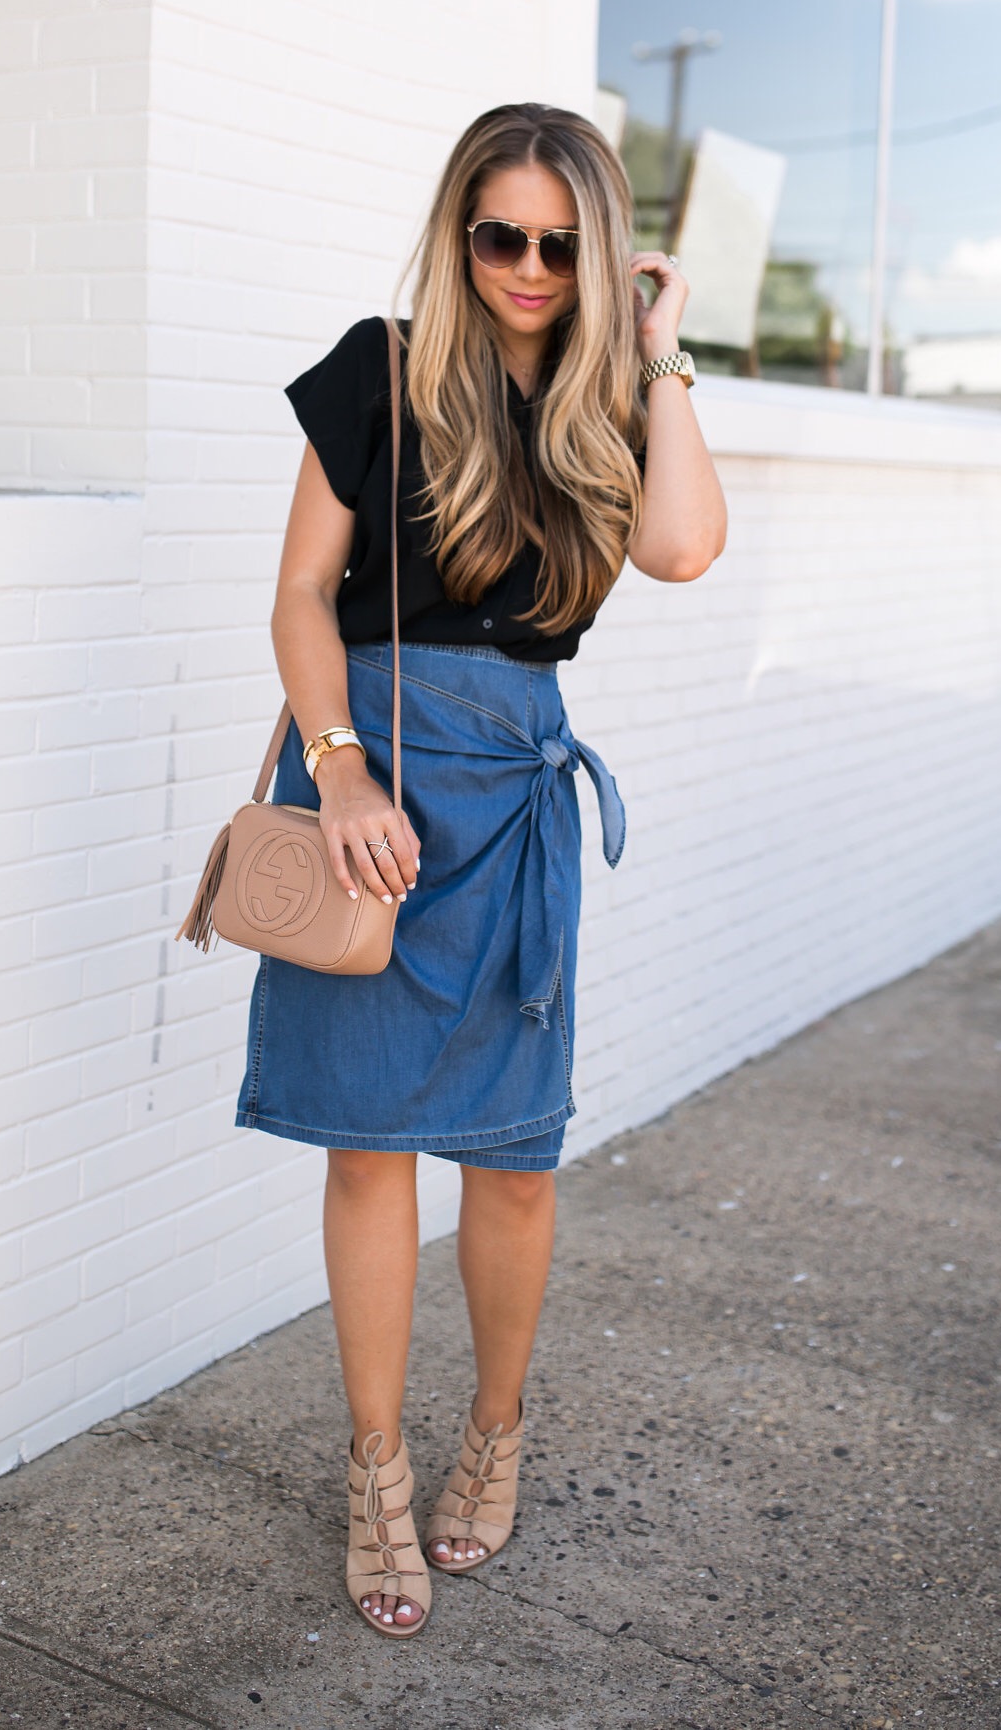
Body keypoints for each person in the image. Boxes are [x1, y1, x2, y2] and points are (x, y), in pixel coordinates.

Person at [236, 101, 726, 1637]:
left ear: (598, 251)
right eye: (499, 233)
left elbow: (689, 547)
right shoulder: (380, 374)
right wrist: (340, 771)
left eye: (560, 244)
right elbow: (303, 598)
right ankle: (377, 1469)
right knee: (369, 1151)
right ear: (461, 231)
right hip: (370, 798)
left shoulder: (602, 406)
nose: (525, 265)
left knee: (511, 1159)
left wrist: (651, 347)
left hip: (511, 807)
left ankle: (492, 1433)